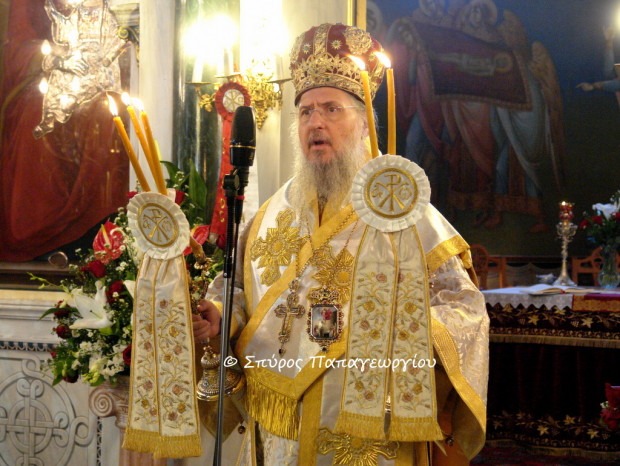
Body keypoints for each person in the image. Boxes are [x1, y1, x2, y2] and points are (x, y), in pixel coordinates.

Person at [193, 23, 489, 465]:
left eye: (332, 109)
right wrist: (220, 313)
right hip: (278, 423)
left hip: (368, 417)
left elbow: (464, 308)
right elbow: (237, 287)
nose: (316, 122)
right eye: (305, 111)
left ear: (364, 121)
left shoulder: (402, 208)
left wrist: (402, 331)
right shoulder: (272, 212)